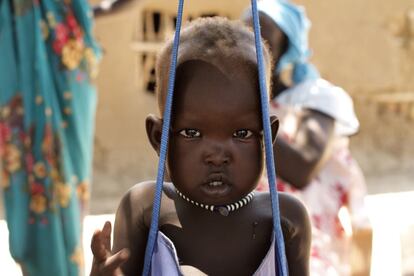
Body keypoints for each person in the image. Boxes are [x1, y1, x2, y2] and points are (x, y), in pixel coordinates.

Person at [89, 17, 311, 276]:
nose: (217, 156)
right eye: (192, 133)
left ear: (267, 138)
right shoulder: (145, 211)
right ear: (160, 138)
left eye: (241, 133)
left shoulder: (285, 220)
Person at [243, 0, 371, 275]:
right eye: (245, 29)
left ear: (286, 41)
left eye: (262, 28)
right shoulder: (242, 105)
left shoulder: (315, 97)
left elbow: (302, 168)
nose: (252, 37)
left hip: (308, 240)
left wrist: (246, 115)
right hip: (252, 239)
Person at [0, 0, 100, 274]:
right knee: (25, 178)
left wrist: (90, 13)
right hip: (13, 54)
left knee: (69, 174)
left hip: (66, 57)